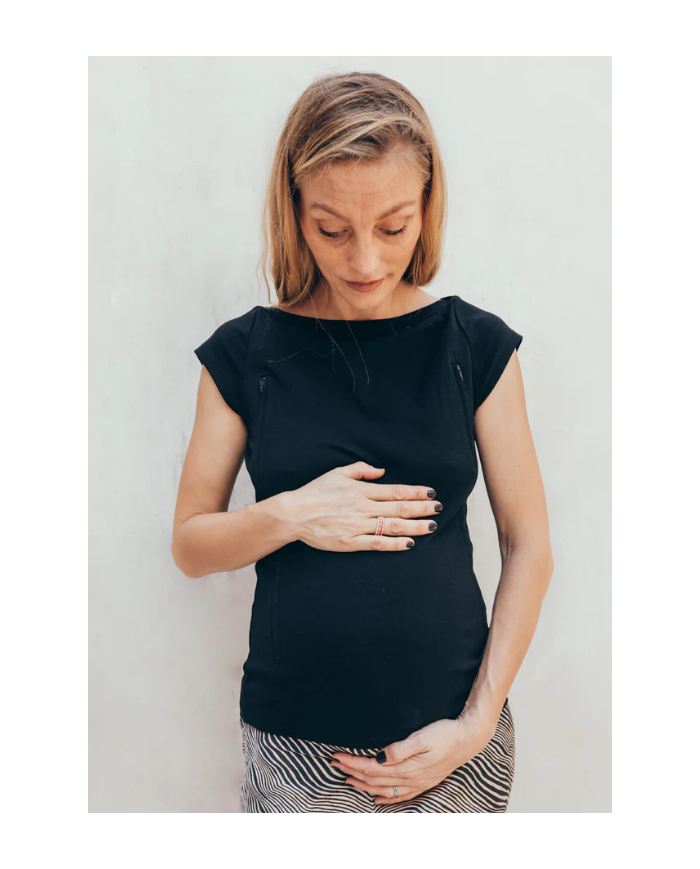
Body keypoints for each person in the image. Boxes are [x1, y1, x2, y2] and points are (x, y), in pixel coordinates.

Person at [172, 71, 554, 813]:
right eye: (331, 229)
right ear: (293, 211)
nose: (366, 262)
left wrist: (475, 725)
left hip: (453, 740)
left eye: (393, 225)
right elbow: (191, 543)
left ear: (427, 209)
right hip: (297, 746)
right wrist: (291, 515)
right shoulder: (245, 353)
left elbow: (529, 541)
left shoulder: (474, 345)